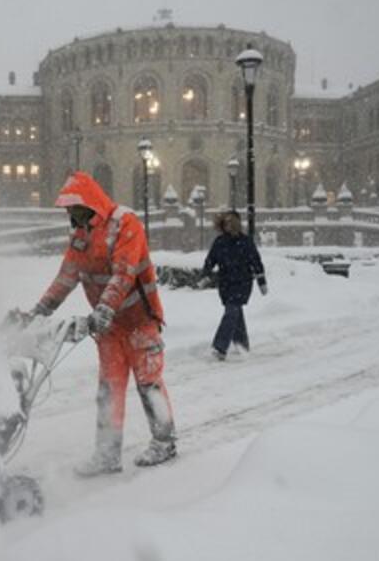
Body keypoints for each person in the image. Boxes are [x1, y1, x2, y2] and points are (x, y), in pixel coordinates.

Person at [28, 171, 176, 477]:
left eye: (73, 207)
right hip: (108, 328)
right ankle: (108, 454)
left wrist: (105, 308)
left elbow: (124, 272)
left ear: (90, 202)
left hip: (140, 322)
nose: (69, 214)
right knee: (109, 389)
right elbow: (66, 277)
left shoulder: (125, 223)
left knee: (148, 383)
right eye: (67, 209)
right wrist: (39, 311)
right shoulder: (81, 235)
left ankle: (164, 442)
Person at [201, 210, 267, 360]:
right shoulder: (220, 242)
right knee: (235, 312)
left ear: (238, 223)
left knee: (232, 310)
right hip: (225, 284)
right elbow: (210, 260)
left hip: (243, 283)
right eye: (227, 222)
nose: (230, 225)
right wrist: (205, 275)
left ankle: (219, 347)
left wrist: (261, 281)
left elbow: (256, 262)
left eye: (233, 222)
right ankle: (241, 344)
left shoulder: (246, 241)